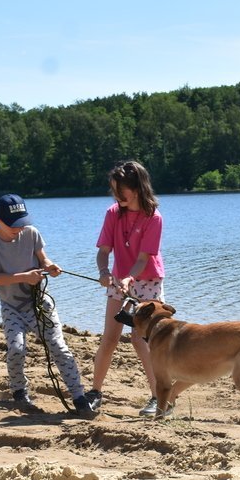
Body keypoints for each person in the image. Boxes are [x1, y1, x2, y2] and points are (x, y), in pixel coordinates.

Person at [0, 193, 99, 418]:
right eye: (14, 225)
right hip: (11, 307)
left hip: (38, 304)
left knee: (58, 347)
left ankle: (79, 398)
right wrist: (25, 276)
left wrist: (51, 266)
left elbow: (43, 260)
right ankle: (19, 391)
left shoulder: (31, 233)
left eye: (22, 222)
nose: (20, 228)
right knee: (16, 348)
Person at [86, 161, 165, 416]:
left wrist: (130, 278)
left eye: (121, 190)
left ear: (137, 188)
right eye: (113, 190)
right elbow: (103, 252)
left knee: (140, 339)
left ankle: (159, 397)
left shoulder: (153, 216)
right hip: (118, 280)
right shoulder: (112, 213)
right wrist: (103, 272)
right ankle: (95, 393)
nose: (117, 196)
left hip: (148, 281)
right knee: (109, 338)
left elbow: (143, 259)